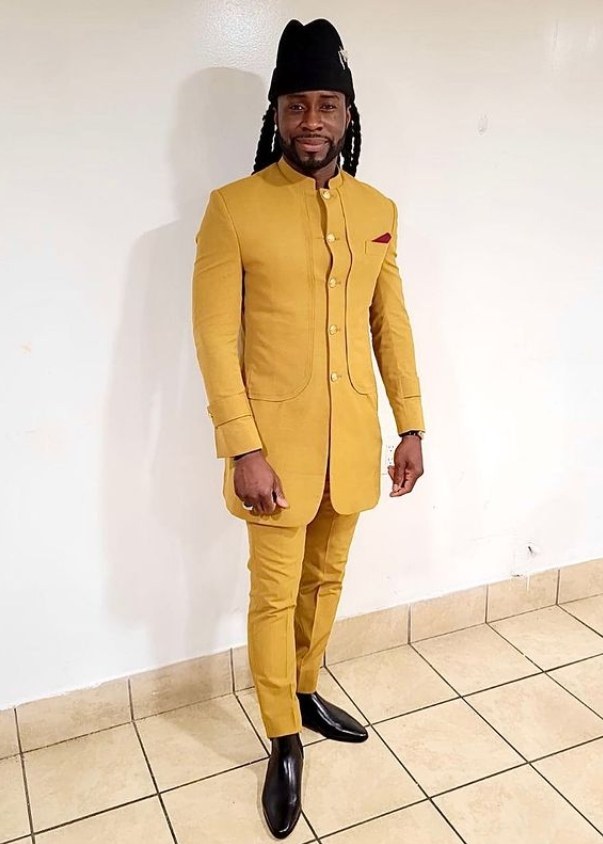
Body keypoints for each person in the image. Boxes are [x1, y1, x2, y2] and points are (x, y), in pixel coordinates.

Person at [191, 18, 426, 839]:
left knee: (325, 581)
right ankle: (282, 738)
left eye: (327, 104)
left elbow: (389, 326)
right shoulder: (233, 209)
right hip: (274, 455)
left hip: (352, 443)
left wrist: (410, 424)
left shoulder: (376, 209)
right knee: (273, 593)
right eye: (296, 105)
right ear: (277, 115)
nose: (312, 121)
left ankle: (305, 687)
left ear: (348, 114)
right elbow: (214, 339)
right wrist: (242, 446)